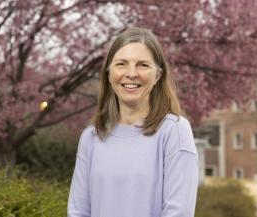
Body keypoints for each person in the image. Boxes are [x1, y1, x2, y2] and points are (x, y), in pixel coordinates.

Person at [67, 27, 199, 217]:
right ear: (109, 73)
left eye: (143, 65)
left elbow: (179, 212)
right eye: (121, 64)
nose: (131, 73)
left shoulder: (174, 131)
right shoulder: (91, 137)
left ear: (158, 76)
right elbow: (78, 211)